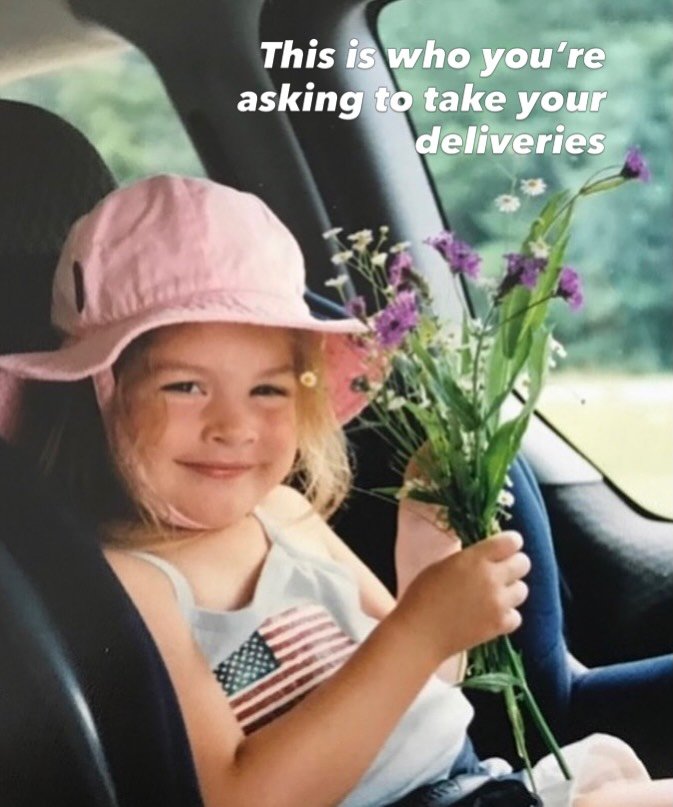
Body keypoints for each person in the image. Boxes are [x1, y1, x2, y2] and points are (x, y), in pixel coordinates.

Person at [0, 175, 670, 807]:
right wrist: (418, 627)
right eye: (185, 386)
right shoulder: (132, 584)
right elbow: (236, 794)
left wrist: (427, 558)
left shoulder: (287, 515)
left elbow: (421, 684)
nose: (233, 425)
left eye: (268, 389)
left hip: (470, 784)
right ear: (97, 395)